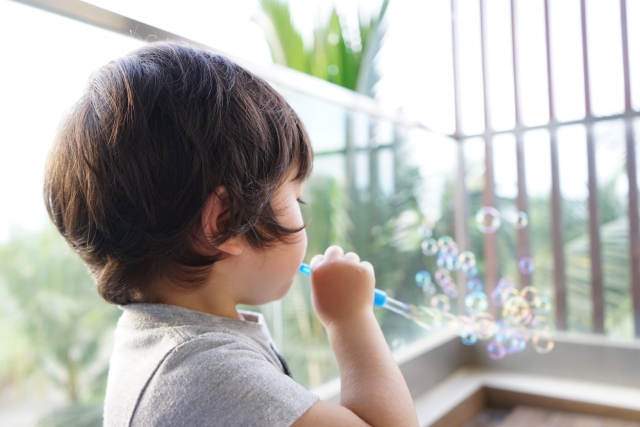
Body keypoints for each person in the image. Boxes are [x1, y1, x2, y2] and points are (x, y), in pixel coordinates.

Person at [43, 42, 418, 427]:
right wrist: (350, 317)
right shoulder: (210, 375)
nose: (304, 218)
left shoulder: (160, 343)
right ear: (227, 222)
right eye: (296, 199)